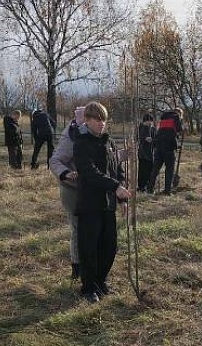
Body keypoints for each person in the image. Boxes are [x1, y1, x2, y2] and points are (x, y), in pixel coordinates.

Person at [73, 101, 130, 303]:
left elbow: (116, 169)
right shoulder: (81, 143)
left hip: (108, 205)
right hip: (89, 205)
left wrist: (121, 197)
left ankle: (100, 281)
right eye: (97, 119)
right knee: (89, 247)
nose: (101, 123)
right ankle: (88, 288)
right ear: (87, 120)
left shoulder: (109, 141)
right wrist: (115, 186)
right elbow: (90, 173)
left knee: (109, 245)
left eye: (104, 119)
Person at [50, 106, 85, 280]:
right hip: (72, 189)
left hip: (89, 190)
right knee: (78, 229)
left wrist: (120, 155)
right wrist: (66, 174)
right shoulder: (71, 136)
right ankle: (77, 268)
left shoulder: (94, 134)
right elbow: (55, 160)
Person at [146, 107, 183, 195]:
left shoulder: (163, 117)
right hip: (169, 148)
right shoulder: (176, 117)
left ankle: (150, 189)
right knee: (169, 170)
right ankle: (167, 191)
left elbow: (163, 133)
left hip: (159, 147)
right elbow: (178, 130)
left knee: (155, 169)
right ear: (179, 114)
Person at [137, 113, 155, 193]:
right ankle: (141, 186)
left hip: (151, 153)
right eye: (148, 121)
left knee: (150, 170)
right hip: (143, 153)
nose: (149, 123)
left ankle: (148, 186)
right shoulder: (141, 127)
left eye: (150, 121)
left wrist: (153, 140)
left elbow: (155, 138)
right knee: (142, 171)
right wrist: (144, 139)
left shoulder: (153, 129)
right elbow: (138, 137)